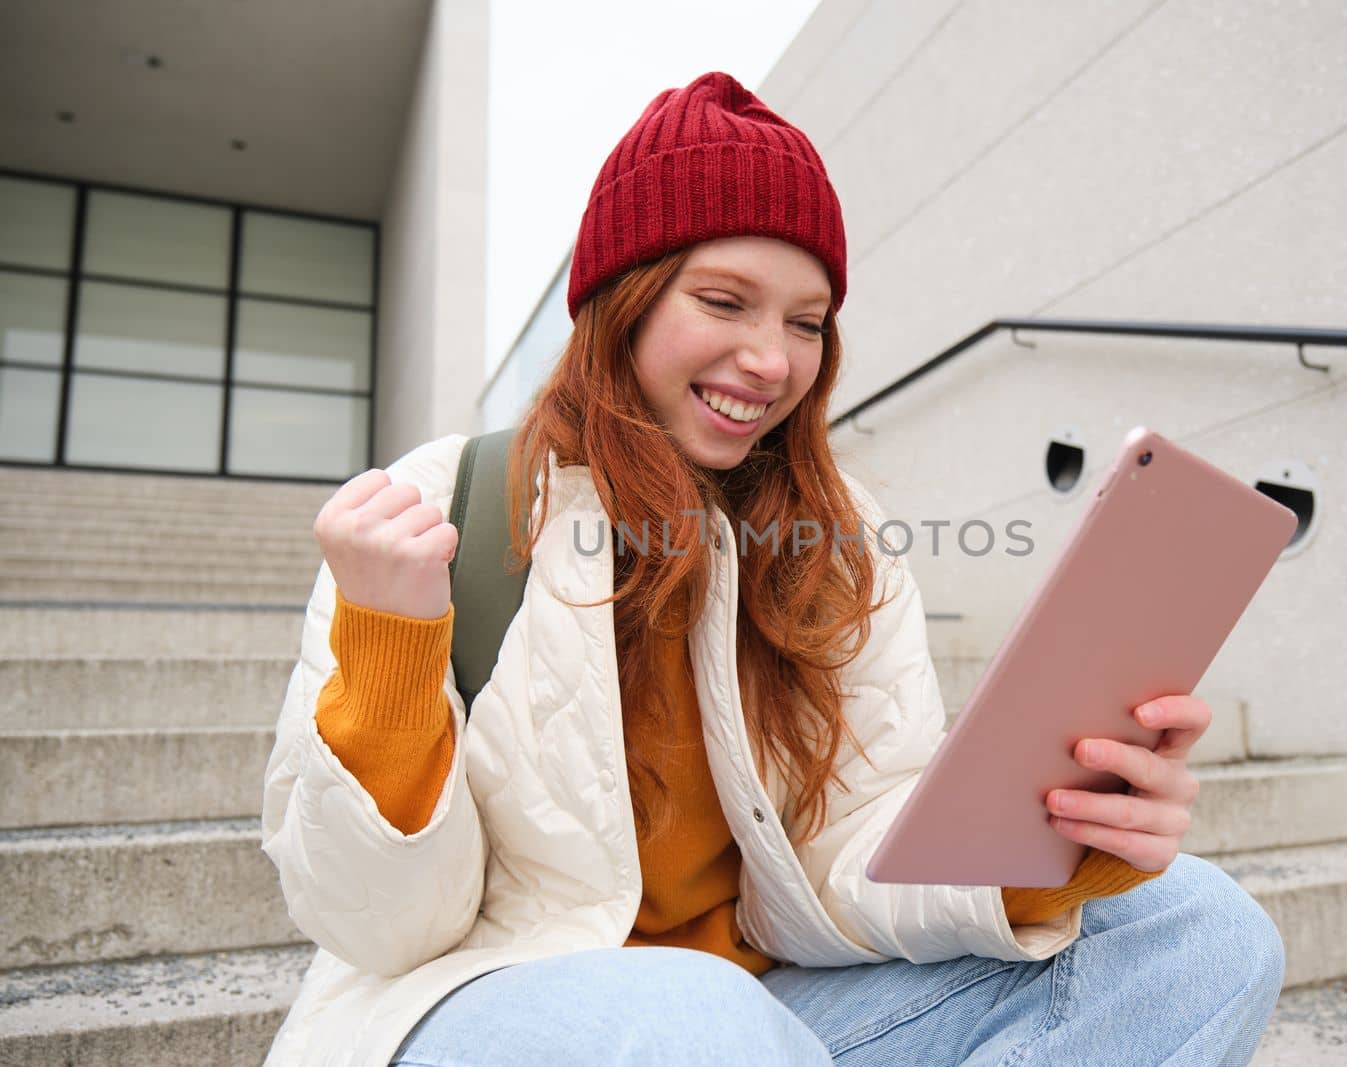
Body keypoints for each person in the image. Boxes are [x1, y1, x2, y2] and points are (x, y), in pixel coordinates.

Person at [260, 71, 1284, 1067]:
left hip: (764, 1009)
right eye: (724, 300)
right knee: (697, 1019)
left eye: (805, 321)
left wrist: (1043, 856)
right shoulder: (436, 505)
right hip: (482, 1000)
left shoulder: (837, 543)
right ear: (622, 298)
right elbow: (381, 925)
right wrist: (390, 648)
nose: (771, 359)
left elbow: (846, 859)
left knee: (1196, 929)